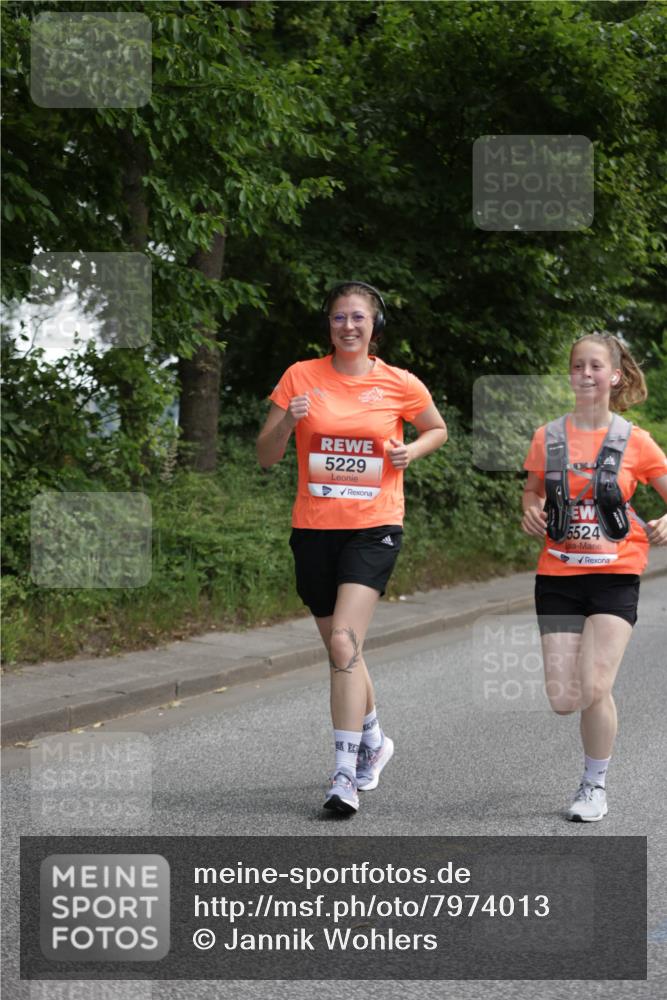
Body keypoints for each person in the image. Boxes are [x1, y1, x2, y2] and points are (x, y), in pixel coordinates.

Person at [256, 282, 447, 814]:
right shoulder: (300, 376)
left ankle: (344, 774)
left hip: (374, 526)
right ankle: (375, 739)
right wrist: (289, 420)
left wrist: (411, 450)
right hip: (314, 529)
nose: (348, 326)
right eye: (339, 317)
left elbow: (437, 429)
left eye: (358, 317)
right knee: (344, 650)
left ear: (374, 324)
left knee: (343, 643)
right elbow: (266, 456)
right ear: (329, 325)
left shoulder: (398, 382)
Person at [522, 332, 667, 821]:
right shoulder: (548, 437)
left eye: (595, 366)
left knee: (595, 685)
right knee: (565, 699)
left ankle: (593, 785)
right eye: (577, 366)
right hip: (558, 575)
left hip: (615, 574)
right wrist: (531, 509)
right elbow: (533, 490)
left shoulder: (635, 440)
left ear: (615, 376)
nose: (585, 374)